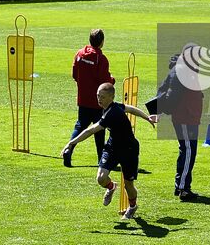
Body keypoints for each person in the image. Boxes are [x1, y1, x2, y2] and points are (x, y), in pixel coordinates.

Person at [61, 82, 158, 220]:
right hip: (112, 147)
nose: (99, 99)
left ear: (111, 97)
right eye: (98, 96)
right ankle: (111, 187)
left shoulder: (113, 113)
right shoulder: (113, 106)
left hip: (129, 149)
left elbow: (91, 130)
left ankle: (132, 207)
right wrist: (147, 117)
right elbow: (130, 108)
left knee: (129, 185)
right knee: (101, 178)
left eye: (103, 97)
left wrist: (71, 143)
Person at [149, 48, 206, 200]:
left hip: (189, 117)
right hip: (185, 118)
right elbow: (170, 96)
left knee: (187, 151)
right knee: (188, 151)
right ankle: (183, 188)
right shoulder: (181, 72)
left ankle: (181, 185)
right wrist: (159, 112)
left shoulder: (184, 69)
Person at [64, 28, 115, 167]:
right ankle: (101, 160)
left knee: (80, 126)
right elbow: (105, 81)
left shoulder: (80, 54)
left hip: (83, 98)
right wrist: (112, 80)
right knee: (99, 129)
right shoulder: (101, 59)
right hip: (98, 101)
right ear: (102, 42)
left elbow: (75, 74)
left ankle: (68, 149)